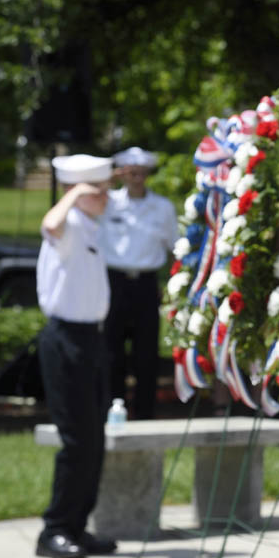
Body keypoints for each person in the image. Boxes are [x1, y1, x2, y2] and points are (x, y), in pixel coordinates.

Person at [35, 154, 117, 558]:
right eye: (96, 190)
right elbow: (49, 224)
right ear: (78, 192)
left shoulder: (88, 225)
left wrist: (84, 197)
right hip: (66, 339)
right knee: (77, 440)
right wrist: (74, 196)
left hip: (90, 340)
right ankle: (55, 529)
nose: (105, 197)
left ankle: (77, 526)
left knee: (93, 440)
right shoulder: (66, 225)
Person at [100, 147, 176, 420]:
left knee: (146, 352)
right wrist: (108, 178)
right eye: (130, 172)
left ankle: (145, 412)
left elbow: (173, 246)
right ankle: (111, 406)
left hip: (145, 283)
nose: (136, 178)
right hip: (114, 280)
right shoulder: (108, 202)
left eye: (141, 172)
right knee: (112, 349)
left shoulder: (162, 207)